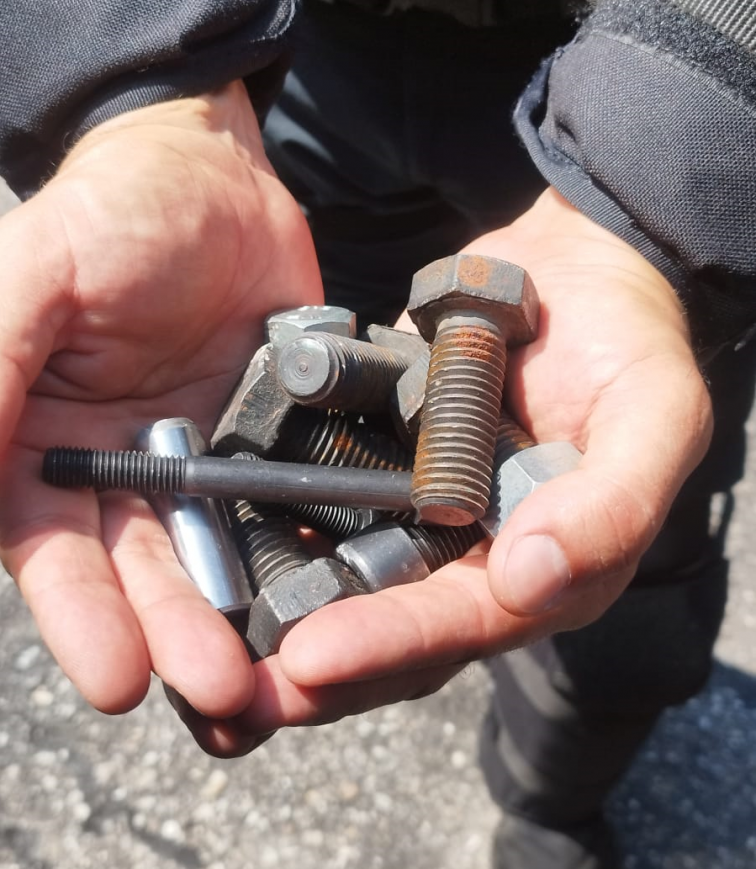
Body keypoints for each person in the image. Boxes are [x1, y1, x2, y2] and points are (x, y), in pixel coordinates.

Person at [0, 1, 753, 867]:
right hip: (304, 67)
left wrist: (656, 203)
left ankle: (551, 806)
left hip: (627, 83)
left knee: (625, 588)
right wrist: (126, 89)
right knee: (342, 365)